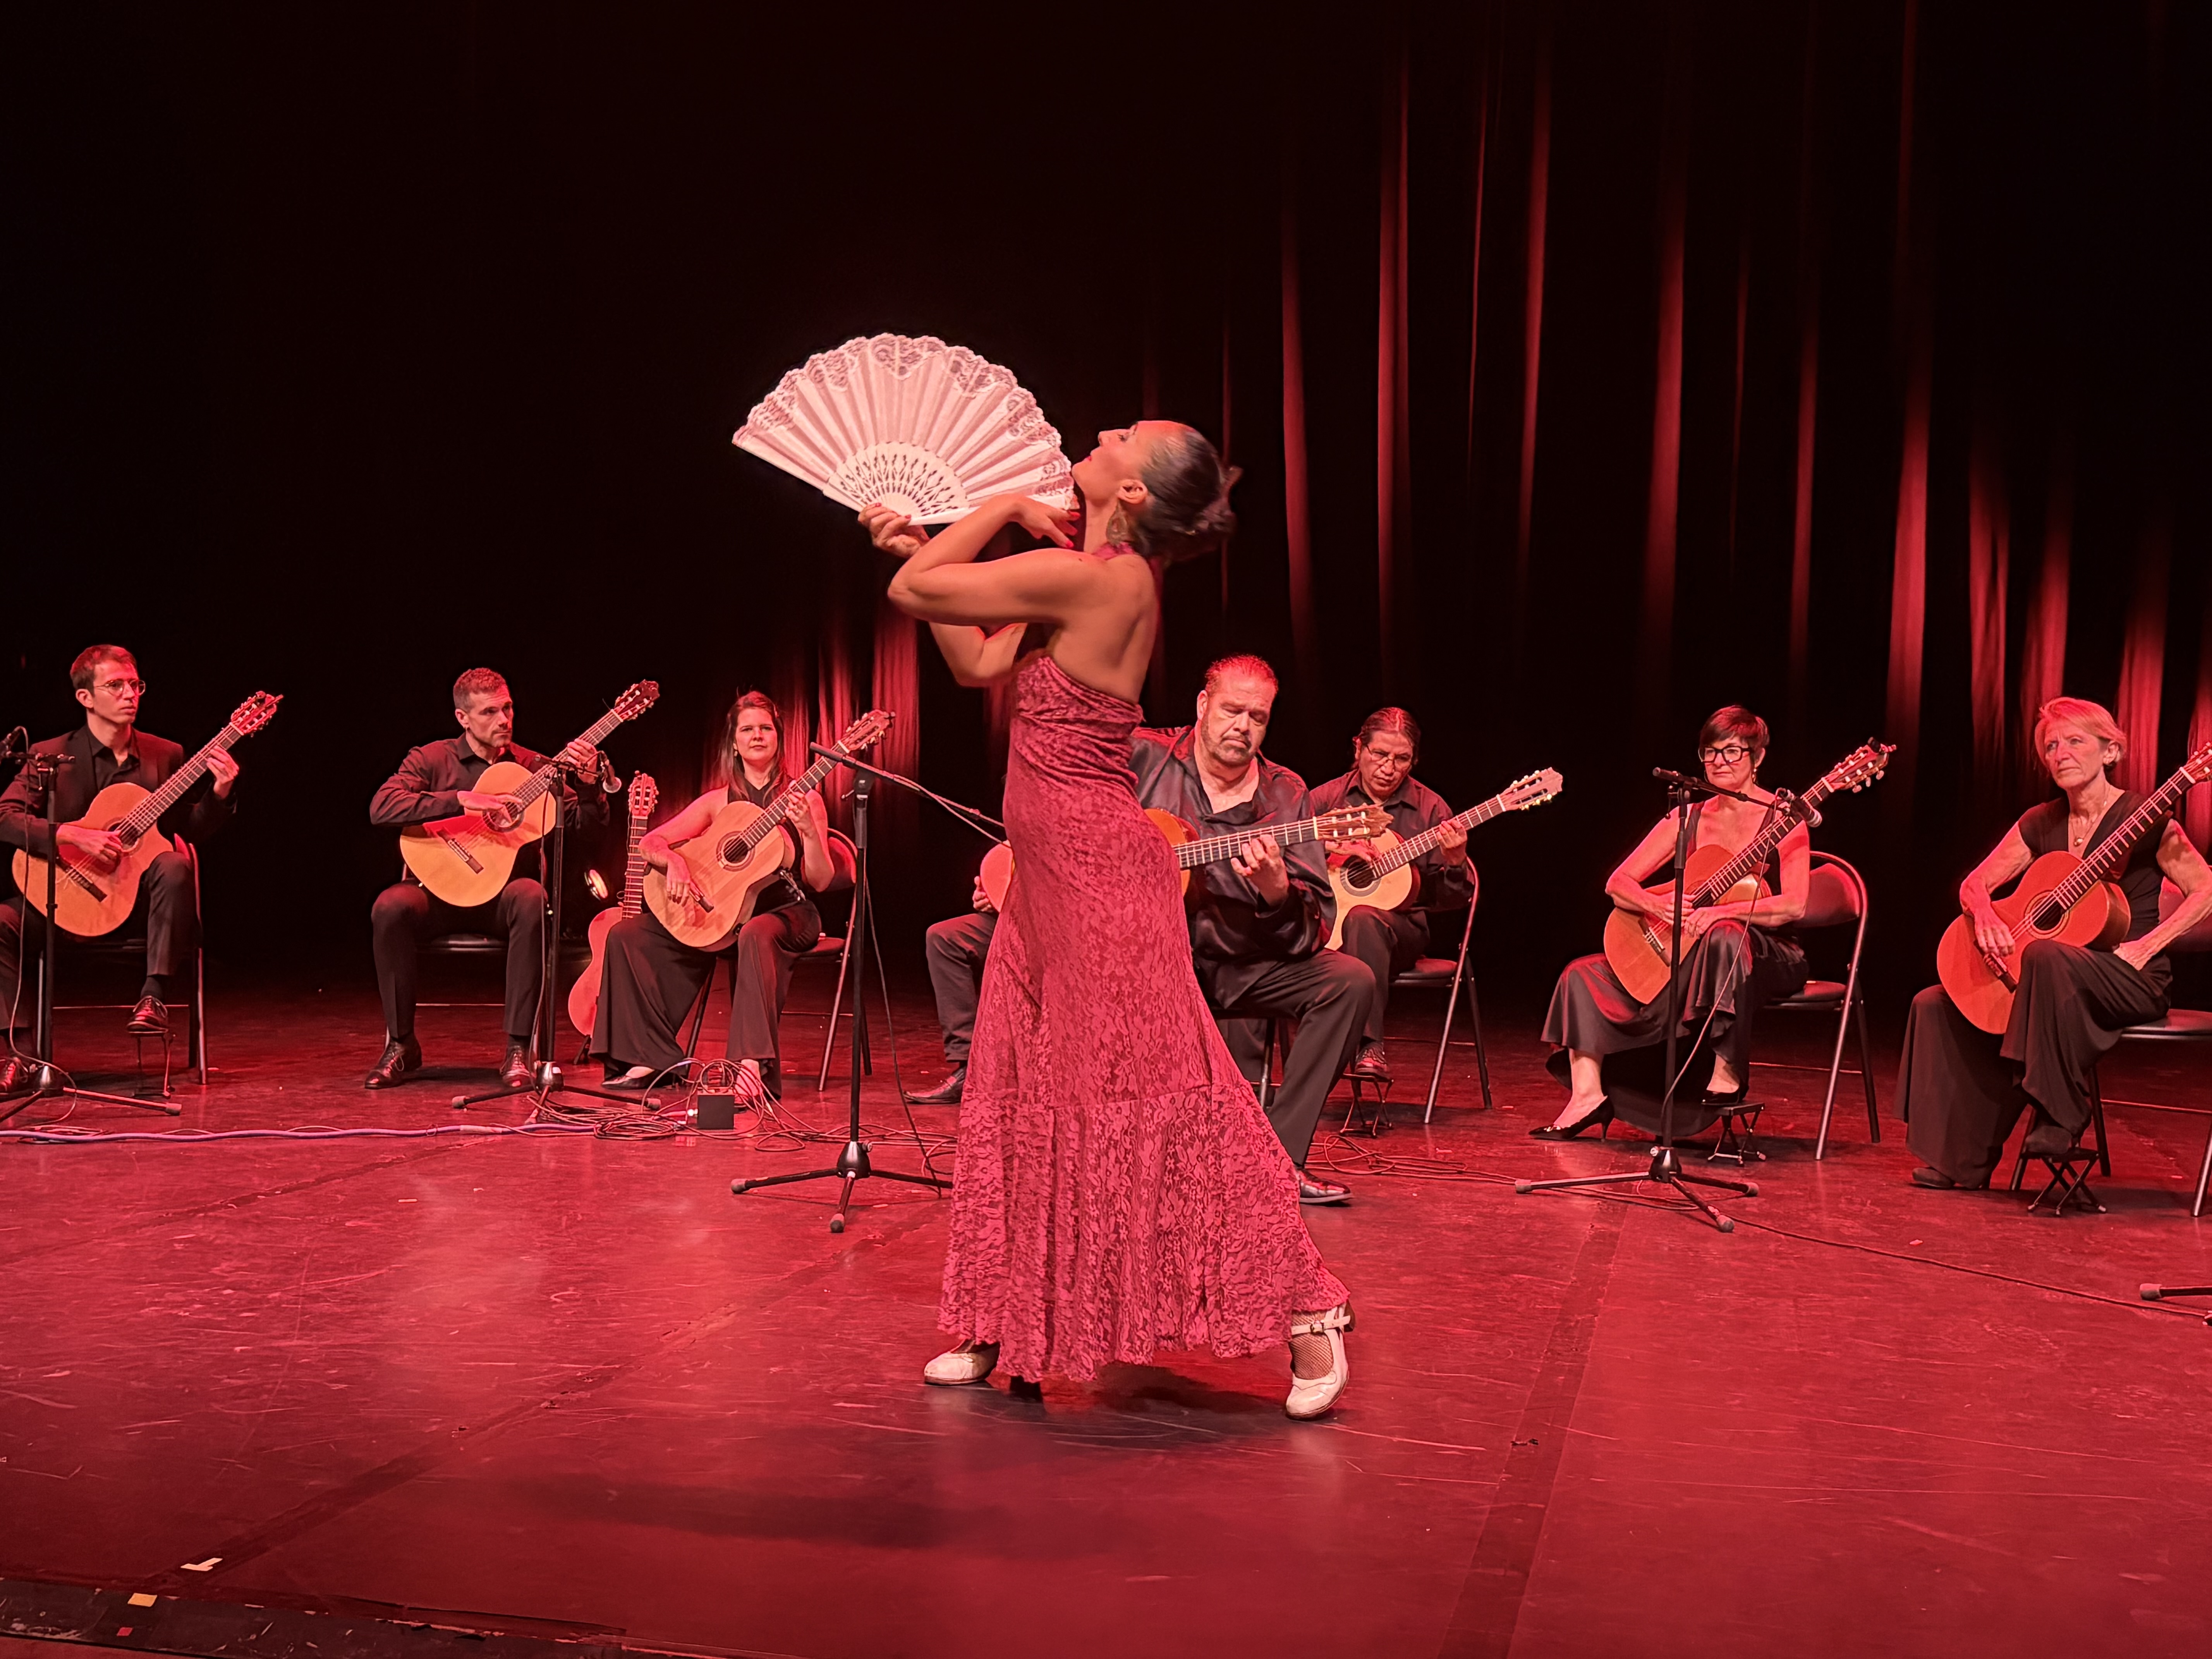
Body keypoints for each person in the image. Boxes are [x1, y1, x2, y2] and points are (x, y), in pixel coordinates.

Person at [866, 419, 1353, 1419]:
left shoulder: (1107, 577)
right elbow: (970, 659)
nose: (1102, 432)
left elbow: (918, 600)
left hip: (1103, 883)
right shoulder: (1083, 572)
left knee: (1174, 1099)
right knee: (1015, 1094)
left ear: (1132, 492)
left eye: (1125, 436)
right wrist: (920, 543)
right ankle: (1003, 1321)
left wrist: (988, 514)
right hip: (1047, 886)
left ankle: (1310, 1319)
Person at [1899, 697, 2212, 1189]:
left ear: (2110, 752)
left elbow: (2207, 891)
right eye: (2051, 745)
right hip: (2050, 980)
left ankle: (2060, 1112)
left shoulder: (2147, 818)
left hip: (2128, 975)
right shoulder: (2041, 822)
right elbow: (1975, 884)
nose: (2060, 753)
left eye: (2075, 742)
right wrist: (1984, 916)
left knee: (2045, 956)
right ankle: (1961, 1161)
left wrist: (2148, 946)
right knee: (1936, 1001)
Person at [1129, 656, 1373, 1204]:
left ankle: (1277, 1160)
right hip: (1147, 967)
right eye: (1232, 710)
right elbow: (1063, 803)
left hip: (1242, 965)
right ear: (1203, 705)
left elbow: (1312, 930)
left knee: (1349, 981)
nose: (1243, 726)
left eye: (1257, 717)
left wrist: (1276, 893)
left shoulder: (1287, 796)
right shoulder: (1142, 756)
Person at [1537, 706, 1810, 1139]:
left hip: (1763, 952)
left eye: (1734, 752)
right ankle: (1588, 1096)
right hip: (1690, 950)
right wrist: (1654, 904)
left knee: (1723, 937)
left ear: (1758, 759)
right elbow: (1617, 882)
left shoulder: (1785, 818)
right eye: (1711, 752)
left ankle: (1726, 1073)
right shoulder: (1688, 817)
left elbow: (1794, 906)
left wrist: (1719, 912)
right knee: (1580, 975)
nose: (1720, 762)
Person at [0, 646, 238, 1093]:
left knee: (174, 862)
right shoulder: (50, 756)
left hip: (137, 904)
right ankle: (21, 1055)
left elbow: (186, 828)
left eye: (135, 684)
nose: (130, 694)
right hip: (61, 899)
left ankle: (154, 997)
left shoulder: (165, 755)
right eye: (116, 685)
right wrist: (69, 835)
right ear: (85, 698)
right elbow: (4, 816)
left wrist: (220, 795)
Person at [366, 668, 610, 1091]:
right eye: (490, 712)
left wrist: (589, 787)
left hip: (503, 901)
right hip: (438, 896)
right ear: (463, 718)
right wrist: (462, 801)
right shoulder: (431, 758)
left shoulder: (535, 767)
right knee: (389, 906)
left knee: (531, 895)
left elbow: (583, 826)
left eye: (508, 708)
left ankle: (518, 1048)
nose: (504, 720)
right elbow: (382, 807)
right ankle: (402, 1045)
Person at [590, 690, 836, 1098]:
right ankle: (650, 1059)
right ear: (734, 744)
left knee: (757, 933)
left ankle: (750, 1067)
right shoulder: (718, 802)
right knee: (626, 935)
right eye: (747, 730)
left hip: (786, 913)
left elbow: (822, 879)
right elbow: (651, 843)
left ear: (778, 737)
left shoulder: (805, 798)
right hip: (724, 915)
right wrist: (676, 863)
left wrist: (809, 831)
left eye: (765, 728)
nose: (757, 736)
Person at [1309, 708, 1473, 1082]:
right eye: (1379, 755)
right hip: (1326, 929)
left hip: (1401, 932)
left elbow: (1450, 902)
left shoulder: (1432, 809)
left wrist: (1456, 863)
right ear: (1358, 749)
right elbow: (1289, 866)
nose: (1389, 767)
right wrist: (1327, 849)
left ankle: (1368, 1046)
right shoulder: (1324, 801)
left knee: (1364, 918)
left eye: (1401, 759)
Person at [906, 872, 998, 1106]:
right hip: (1011, 919)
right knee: (945, 937)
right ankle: (969, 1067)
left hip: (1062, 920)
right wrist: (991, 892)